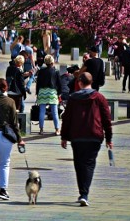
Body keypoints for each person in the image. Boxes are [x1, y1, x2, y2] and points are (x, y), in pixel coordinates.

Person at [60, 72, 113, 207]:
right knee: (89, 164)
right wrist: (109, 138)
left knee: (79, 164)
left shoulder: (73, 98)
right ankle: (84, 194)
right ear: (92, 82)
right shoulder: (99, 97)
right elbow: (107, 118)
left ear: (79, 83)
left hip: (77, 136)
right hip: (94, 135)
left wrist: (64, 136)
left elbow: (67, 118)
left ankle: (82, 193)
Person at [36, 55, 61, 135]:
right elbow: (59, 84)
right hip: (52, 92)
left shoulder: (41, 71)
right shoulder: (56, 71)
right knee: (54, 112)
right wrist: (59, 93)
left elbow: (38, 83)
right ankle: (57, 129)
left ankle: (41, 129)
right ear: (52, 62)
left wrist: (37, 93)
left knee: (42, 111)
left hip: (42, 92)